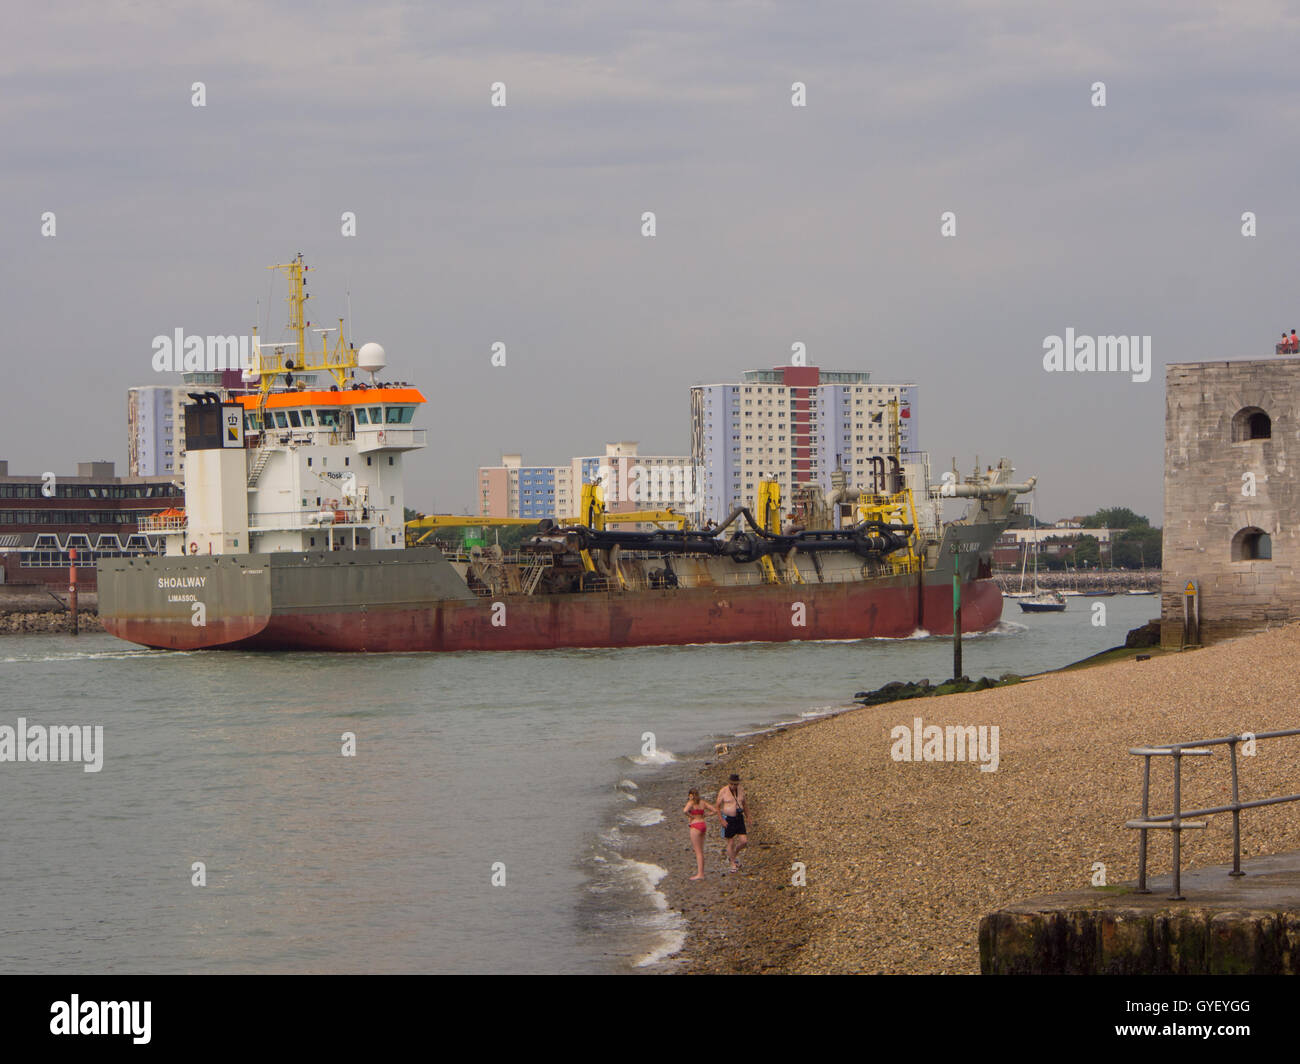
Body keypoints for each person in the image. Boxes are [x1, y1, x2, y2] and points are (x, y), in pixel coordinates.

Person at [716, 773, 751, 872]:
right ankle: (732, 864)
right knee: (730, 841)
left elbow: (744, 804)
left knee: (744, 841)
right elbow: (717, 806)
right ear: (729, 783)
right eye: (731, 784)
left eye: (735, 784)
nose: (733, 786)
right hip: (728, 819)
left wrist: (748, 816)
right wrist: (721, 820)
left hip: (739, 818)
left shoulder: (741, 790)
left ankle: (733, 855)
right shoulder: (723, 791)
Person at [683, 788, 718, 880]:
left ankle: (700, 874)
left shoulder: (691, 803)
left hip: (695, 825)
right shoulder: (702, 802)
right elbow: (714, 810)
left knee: (697, 851)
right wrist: (706, 815)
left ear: (690, 795)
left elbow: (685, 811)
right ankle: (701, 872)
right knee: (701, 851)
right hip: (703, 824)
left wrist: (691, 816)